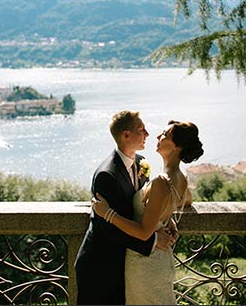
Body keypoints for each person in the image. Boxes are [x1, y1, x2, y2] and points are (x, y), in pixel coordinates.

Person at [92, 119, 204, 305]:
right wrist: (165, 218)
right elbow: (186, 200)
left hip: (146, 264)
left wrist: (108, 213)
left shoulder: (161, 181)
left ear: (177, 147)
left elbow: (144, 232)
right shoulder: (181, 178)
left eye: (165, 135)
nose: (158, 136)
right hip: (161, 259)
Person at [74, 110, 177, 305]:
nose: (147, 134)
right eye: (141, 129)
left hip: (127, 265)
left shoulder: (140, 162)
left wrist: (165, 218)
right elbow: (108, 228)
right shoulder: (106, 175)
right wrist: (154, 241)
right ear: (126, 135)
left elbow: (144, 203)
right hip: (101, 267)